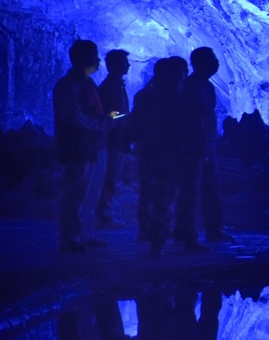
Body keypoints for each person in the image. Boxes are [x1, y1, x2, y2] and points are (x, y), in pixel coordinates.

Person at [53, 40, 116, 253]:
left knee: (90, 192)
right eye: (94, 55)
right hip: (77, 146)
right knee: (75, 193)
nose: (98, 60)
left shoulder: (87, 84)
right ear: (82, 59)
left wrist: (104, 121)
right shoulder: (68, 86)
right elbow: (74, 117)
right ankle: (70, 238)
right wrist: (103, 122)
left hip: (93, 145)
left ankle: (84, 234)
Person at [133, 57, 201, 254]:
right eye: (181, 71)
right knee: (166, 197)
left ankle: (163, 237)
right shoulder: (176, 97)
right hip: (168, 153)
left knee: (165, 196)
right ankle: (163, 238)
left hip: (167, 152)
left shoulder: (150, 96)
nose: (183, 75)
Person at [184, 47, 226, 242]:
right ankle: (187, 234)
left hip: (207, 145)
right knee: (190, 191)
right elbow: (191, 118)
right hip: (192, 147)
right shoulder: (189, 86)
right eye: (213, 59)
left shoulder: (208, 87)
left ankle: (214, 230)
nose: (216, 63)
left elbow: (208, 116)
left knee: (211, 189)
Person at [96, 49, 132, 228]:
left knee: (111, 177)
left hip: (117, 139)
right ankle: (103, 215)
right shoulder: (109, 87)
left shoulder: (117, 85)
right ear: (116, 65)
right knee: (108, 177)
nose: (128, 65)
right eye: (125, 62)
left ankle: (104, 213)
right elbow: (108, 115)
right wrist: (125, 117)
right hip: (111, 140)